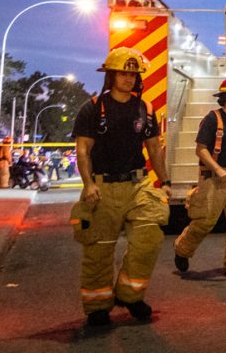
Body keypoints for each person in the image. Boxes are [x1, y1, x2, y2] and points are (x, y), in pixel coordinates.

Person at [70, 47, 171, 327]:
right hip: (101, 188)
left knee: (149, 240)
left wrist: (165, 182)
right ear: (111, 75)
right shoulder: (91, 108)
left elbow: (154, 149)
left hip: (138, 185)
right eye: (123, 73)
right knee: (99, 250)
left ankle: (130, 294)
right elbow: (83, 150)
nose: (128, 79)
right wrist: (88, 184)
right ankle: (98, 307)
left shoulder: (145, 109)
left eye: (133, 74)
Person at [174, 77, 226, 277]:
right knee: (204, 222)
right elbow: (201, 150)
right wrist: (218, 170)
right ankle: (182, 249)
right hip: (213, 180)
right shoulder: (212, 119)